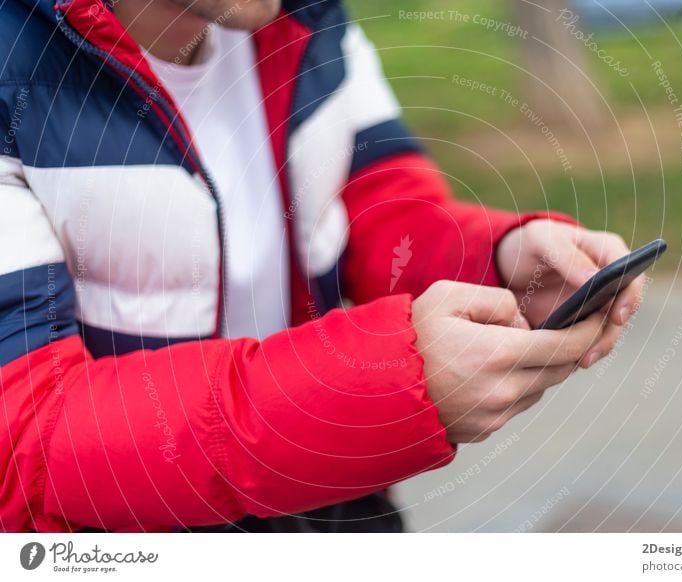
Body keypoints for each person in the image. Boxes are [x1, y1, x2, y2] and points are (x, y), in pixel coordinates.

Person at [0, 0, 643, 532]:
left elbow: (373, 197)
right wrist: (384, 384)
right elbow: (30, 438)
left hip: (329, 504)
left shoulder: (304, 15)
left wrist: (502, 256)